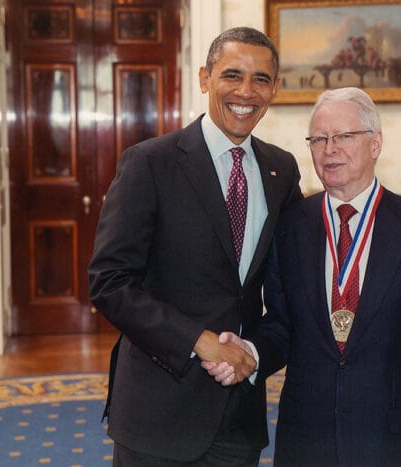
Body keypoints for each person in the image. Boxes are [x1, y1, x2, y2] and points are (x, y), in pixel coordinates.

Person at [205, 87, 401, 466]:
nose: (330, 149)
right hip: (308, 439)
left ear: (375, 144)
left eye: (344, 136)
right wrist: (253, 350)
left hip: (395, 441)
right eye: (318, 139)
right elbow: (282, 325)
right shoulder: (289, 226)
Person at [88, 26, 302, 466]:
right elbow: (109, 282)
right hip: (157, 412)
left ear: (274, 89)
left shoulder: (282, 171)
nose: (246, 91)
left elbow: (290, 288)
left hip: (239, 414)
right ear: (205, 78)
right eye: (232, 75)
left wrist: (254, 353)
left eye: (261, 79)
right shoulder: (149, 163)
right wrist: (199, 341)